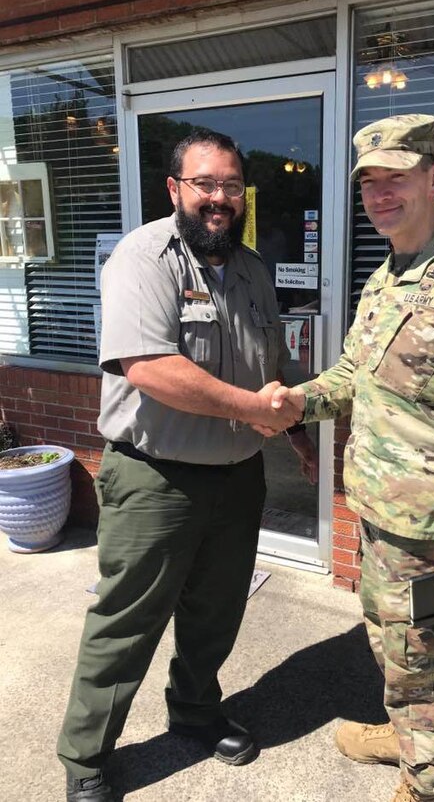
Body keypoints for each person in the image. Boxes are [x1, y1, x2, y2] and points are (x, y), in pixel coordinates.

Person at [268, 114, 434, 802]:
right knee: (392, 643)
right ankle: (408, 734)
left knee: (425, 655)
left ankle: (430, 780)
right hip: (380, 510)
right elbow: (353, 377)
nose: (381, 195)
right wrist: (295, 402)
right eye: (370, 184)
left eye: (397, 179)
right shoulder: (385, 279)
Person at [57, 127, 313, 802]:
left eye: (232, 185)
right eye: (205, 184)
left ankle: (196, 712)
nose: (220, 198)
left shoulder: (254, 269)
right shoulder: (143, 258)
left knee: (216, 611)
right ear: (175, 189)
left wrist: (298, 430)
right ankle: (85, 758)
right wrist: (252, 409)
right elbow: (150, 368)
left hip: (238, 476)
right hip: (155, 476)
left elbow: (273, 363)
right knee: (127, 622)